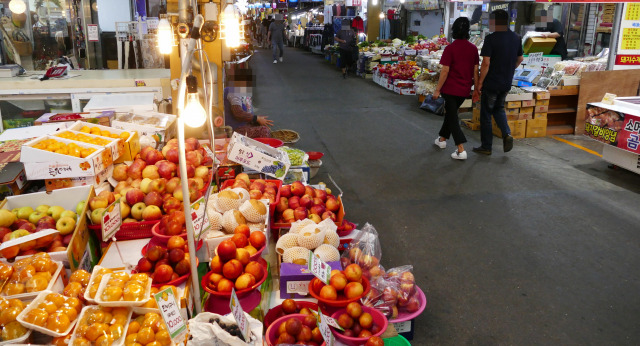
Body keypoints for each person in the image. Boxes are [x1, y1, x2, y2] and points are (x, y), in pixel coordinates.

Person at [473, 9, 523, 155]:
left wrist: (480, 82)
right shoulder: (516, 38)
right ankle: (506, 134)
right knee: (498, 108)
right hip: (506, 81)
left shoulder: (491, 39)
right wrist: (509, 70)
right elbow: (520, 59)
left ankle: (486, 146)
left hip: (492, 82)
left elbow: (486, 63)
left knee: (486, 113)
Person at [433, 17, 479, 160]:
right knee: (451, 114)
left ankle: (461, 149)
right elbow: (475, 71)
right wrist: (476, 89)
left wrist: (437, 89)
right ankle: (442, 139)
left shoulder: (450, 48)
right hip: (464, 90)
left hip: (450, 89)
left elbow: (445, 71)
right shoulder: (473, 49)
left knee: (453, 117)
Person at [224, 68, 274, 138]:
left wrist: (258, 119)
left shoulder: (241, 92)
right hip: (234, 130)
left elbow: (248, 114)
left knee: (263, 126)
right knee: (263, 130)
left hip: (241, 126)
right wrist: (257, 118)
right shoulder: (233, 91)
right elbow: (238, 113)